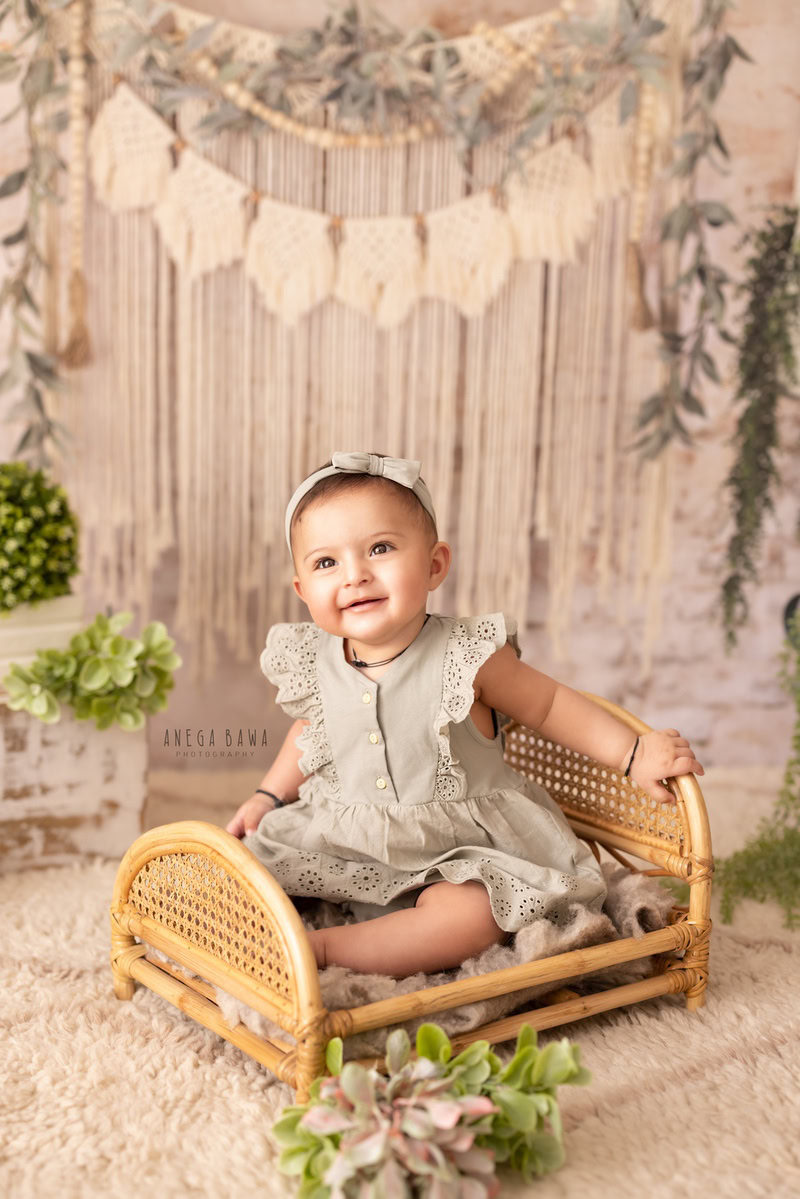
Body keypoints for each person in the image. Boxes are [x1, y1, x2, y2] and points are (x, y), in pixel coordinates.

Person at [226, 450, 705, 979]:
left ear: (434, 565)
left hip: (458, 854)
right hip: (345, 841)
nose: (355, 575)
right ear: (302, 589)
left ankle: (322, 950)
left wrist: (632, 752)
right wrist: (269, 795)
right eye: (326, 563)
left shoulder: (467, 655)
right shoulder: (315, 660)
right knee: (242, 867)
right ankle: (272, 926)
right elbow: (310, 732)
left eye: (380, 549)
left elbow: (549, 705)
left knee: (478, 915)